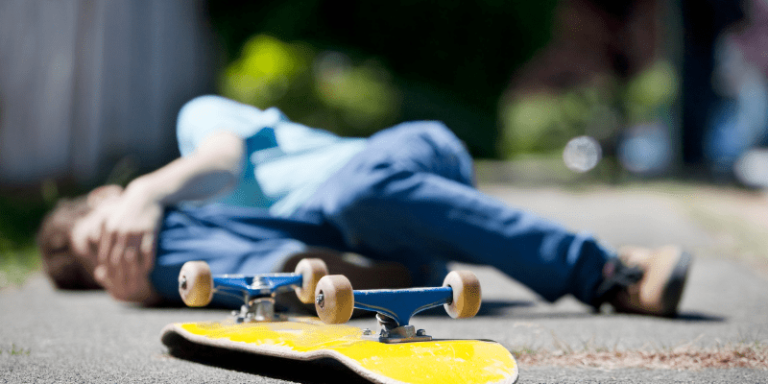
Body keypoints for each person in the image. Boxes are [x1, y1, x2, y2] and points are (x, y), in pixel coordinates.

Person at [37, 95, 692, 316]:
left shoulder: (196, 124)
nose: (119, 247)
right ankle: (352, 282)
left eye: (106, 232)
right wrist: (158, 285)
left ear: (106, 197)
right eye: (102, 264)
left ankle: (606, 271)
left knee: (357, 195)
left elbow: (221, 165)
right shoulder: (182, 239)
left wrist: (148, 195)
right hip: (381, 248)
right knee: (184, 261)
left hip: (403, 162)